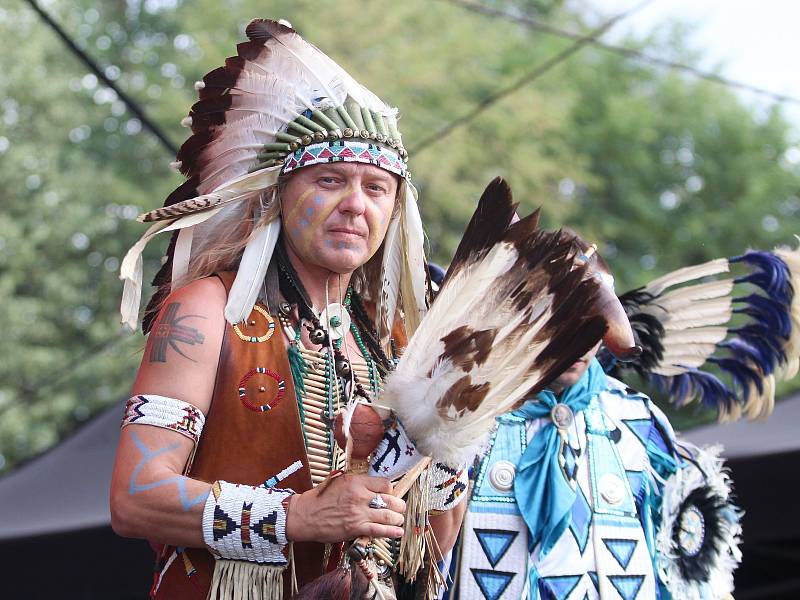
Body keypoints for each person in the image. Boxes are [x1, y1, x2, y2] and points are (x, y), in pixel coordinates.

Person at [111, 19, 466, 599]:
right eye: (330, 180)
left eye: (376, 189)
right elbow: (133, 496)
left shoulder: (397, 343)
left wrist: (454, 444)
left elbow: (430, 548)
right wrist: (297, 517)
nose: (355, 205)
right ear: (280, 193)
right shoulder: (207, 310)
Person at [445, 242, 742, 600]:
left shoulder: (637, 423)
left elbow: (679, 569)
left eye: (596, 326)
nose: (581, 344)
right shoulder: (463, 415)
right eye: (563, 323)